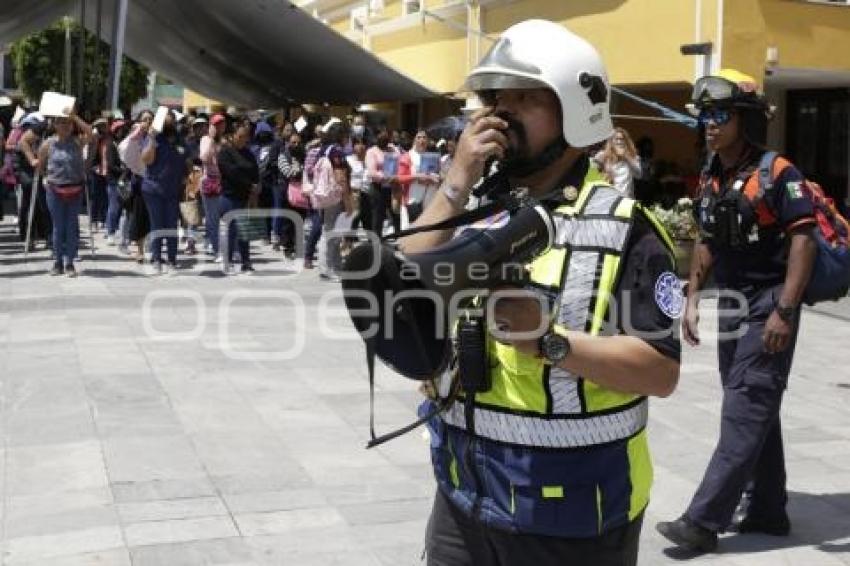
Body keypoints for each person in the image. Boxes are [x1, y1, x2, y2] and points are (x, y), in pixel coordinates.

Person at [393, 20, 680, 565]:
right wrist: (457, 179)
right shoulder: (479, 203)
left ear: (576, 112)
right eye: (497, 97)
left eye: (525, 98)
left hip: (574, 514)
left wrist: (549, 341)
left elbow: (660, 371)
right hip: (463, 494)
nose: (501, 111)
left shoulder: (627, 228)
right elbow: (403, 281)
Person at [656, 69, 818, 554]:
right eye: (705, 115)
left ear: (743, 119)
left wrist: (785, 311)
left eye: (720, 115)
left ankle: (703, 521)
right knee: (753, 405)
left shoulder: (779, 171)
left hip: (769, 303)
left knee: (745, 409)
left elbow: (803, 240)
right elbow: (708, 238)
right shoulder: (714, 174)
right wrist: (691, 299)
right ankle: (768, 510)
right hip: (732, 303)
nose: (710, 124)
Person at [37, 112, 91, 276]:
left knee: (71, 226)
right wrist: (45, 177)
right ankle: (57, 262)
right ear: (55, 125)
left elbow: (90, 132)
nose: (66, 126)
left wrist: (75, 116)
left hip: (75, 189)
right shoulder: (48, 144)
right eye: (61, 123)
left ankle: (70, 263)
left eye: (68, 123)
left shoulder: (77, 141)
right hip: (55, 190)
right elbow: (40, 163)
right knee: (58, 227)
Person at [140, 110, 186, 274]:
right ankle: (157, 259)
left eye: (172, 119)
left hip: (172, 190)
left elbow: (185, 160)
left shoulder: (179, 139)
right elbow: (147, 160)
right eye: (166, 119)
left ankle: (172, 260)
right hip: (153, 189)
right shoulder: (152, 138)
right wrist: (152, 138)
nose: (170, 121)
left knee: (172, 226)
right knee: (157, 224)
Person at [218, 123, 260, 273]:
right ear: (233, 135)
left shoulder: (248, 153)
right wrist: (250, 184)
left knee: (244, 231)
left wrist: (255, 185)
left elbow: (255, 170)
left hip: (245, 197)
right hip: (229, 197)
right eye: (240, 136)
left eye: (245, 136)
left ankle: (246, 261)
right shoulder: (225, 153)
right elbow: (231, 173)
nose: (243, 139)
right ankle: (227, 261)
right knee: (232, 230)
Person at [118, 110, 153, 263]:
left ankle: (152, 248)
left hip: (155, 180)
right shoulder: (135, 137)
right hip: (139, 180)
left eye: (150, 119)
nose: (148, 122)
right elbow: (124, 152)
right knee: (139, 216)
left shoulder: (156, 137)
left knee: (153, 215)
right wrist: (137, 132)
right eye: (144, 119)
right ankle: (139, 250)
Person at [16, 112, 52, 250]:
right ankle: (28, 236)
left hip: (45, 171)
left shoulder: (48, 128)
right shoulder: (36, 129)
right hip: (28, 172)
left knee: (45, 205)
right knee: (28, 203)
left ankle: (47, 236)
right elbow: (21, 145)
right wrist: (32, 160)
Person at [364, 129, 401, 236]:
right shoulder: (371, 151)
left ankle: (400, 239)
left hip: (394, 187)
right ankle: (377, 242)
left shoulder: (394, 149)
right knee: (378, 217)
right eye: (381, 135)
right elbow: (372, 172)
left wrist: (397, 176)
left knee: (396, 214)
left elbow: (400, 162)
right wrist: (386, 177)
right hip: (378, 188)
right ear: (376, 138)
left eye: (386, 135)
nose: (384, 137)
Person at [200, 113, 226, 260]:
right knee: (212, 218)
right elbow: (204, 158)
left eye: (221, 124)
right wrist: (211, 139)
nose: (219, 127)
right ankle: (216, 249)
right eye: (216, 124)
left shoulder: (226, 141)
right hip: (210, 182)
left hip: (224, 182)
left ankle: (229, 247)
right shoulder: (205, 139)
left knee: (226, 217)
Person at [593, 127, 641, 197]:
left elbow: (639, 175)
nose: (619, 142)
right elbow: (592, 171)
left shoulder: (633, 157)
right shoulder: (602, 155)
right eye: (616, 139)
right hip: (607, 197)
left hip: (625, 199)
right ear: (611, 141)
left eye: (622, 139)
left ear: (626, 141)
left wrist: (626, 157)